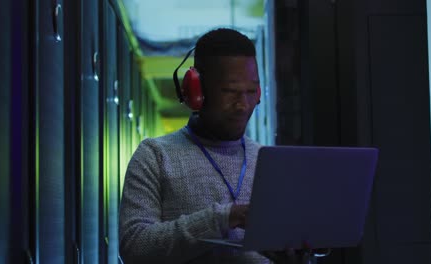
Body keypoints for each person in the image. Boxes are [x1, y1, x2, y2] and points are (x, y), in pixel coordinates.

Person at [119, 28, 302, 263]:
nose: (243, 105)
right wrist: (224, 218)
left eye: (251, 91)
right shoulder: (154, 156)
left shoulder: (268, 161)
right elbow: (134, 246)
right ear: (196, 91)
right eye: (230, 92)